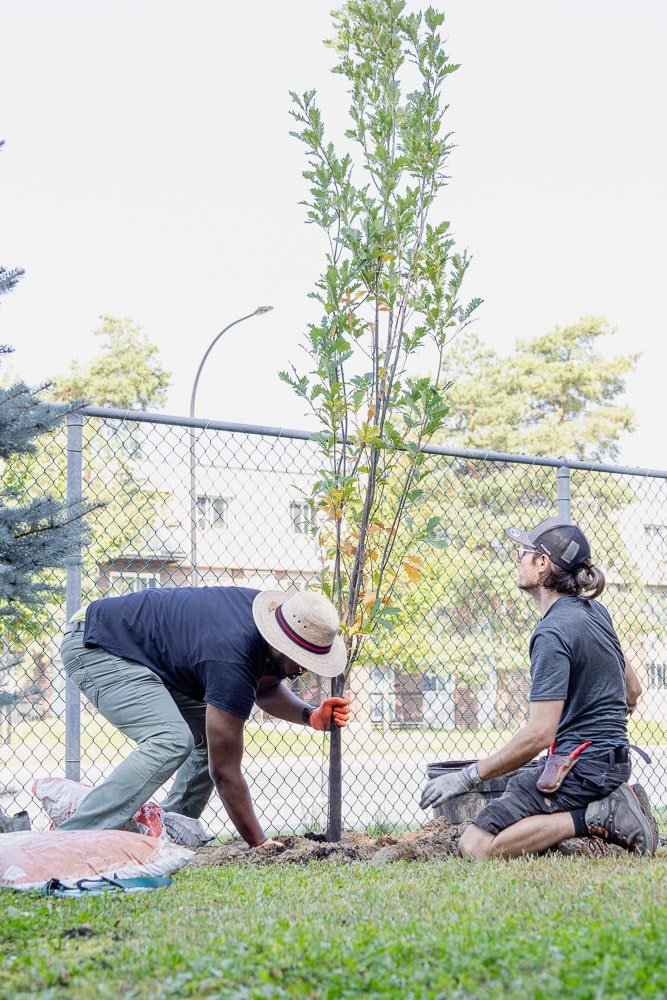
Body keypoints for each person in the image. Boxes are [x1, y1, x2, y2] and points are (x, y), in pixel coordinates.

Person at [420, 517, 656, 859]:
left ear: (542, 564)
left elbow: (539, 734)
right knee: (524, 785)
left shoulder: (552, 632)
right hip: (614, 764)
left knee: (476, 846)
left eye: (524, 552)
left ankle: (598, 814)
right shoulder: (596, 612)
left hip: (582, 770)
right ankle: (608, 804)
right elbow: (633, 690)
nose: (519, 559)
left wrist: (466, 777)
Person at [59, 587, 350, 847]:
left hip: (139, 651)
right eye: (299, 665)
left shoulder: (274, 622)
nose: (303, 671)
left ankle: (171, 832)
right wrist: (259, 842)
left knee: (203, 734)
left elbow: (266, 687)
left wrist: (310, 716)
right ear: (280, 644)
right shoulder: (233, 655)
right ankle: (70, 841)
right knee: (171, 740)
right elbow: (224, 772)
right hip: (97, 644)